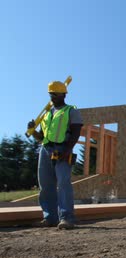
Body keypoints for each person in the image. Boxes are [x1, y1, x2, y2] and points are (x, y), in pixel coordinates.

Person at [28, 80, 83, 229]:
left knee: (63, 183)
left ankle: (67, 218)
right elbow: (43, 137)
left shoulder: (71, 111)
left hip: (62, 149)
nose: (52, 97)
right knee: (45, 185)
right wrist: (33, 132)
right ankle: (50, 217)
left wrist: (67, 150)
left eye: (55, 94)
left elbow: (76, 131)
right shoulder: (47, 115)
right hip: (45, 150)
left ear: (64, 94)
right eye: (50, 94)